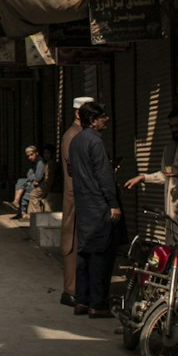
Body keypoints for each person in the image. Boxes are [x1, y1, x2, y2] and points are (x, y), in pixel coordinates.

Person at [67, 101, 121, 318]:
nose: (106, 119)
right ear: (93, 120)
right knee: (100, 254)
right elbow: (104, 176)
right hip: (98, 204)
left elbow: (72, 170)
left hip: (83, 203)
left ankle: (82, 300)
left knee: (84, 253)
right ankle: (98, 304)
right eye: (102, 116)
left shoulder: (76, 141)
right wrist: (114, 204)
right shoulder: (95, 142)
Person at [125, 106, 178, 227]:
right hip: (172, 214)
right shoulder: (168, 148)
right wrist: (143, 178)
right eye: (171, 127)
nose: (174, 130)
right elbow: (165, 175)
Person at [59, 96, 92, 307]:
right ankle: (72, 290)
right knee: (72, 242)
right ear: (79, 113)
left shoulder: (83, 135)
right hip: (76, 196)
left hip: (83, 195)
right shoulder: (73, 136)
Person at [5, 144, 46, 220]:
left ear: (36, 153)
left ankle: (17, 203)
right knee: (22, 190)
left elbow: (38, 177)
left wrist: (33, 178)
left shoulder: (40, 162)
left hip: (40, 186)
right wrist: (32, 177)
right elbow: (29, 174)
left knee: (21, 182)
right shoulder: (33, 163)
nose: (30, 157)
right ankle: (21, 212)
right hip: (34, 184)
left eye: (31, 155)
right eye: (28, 156)